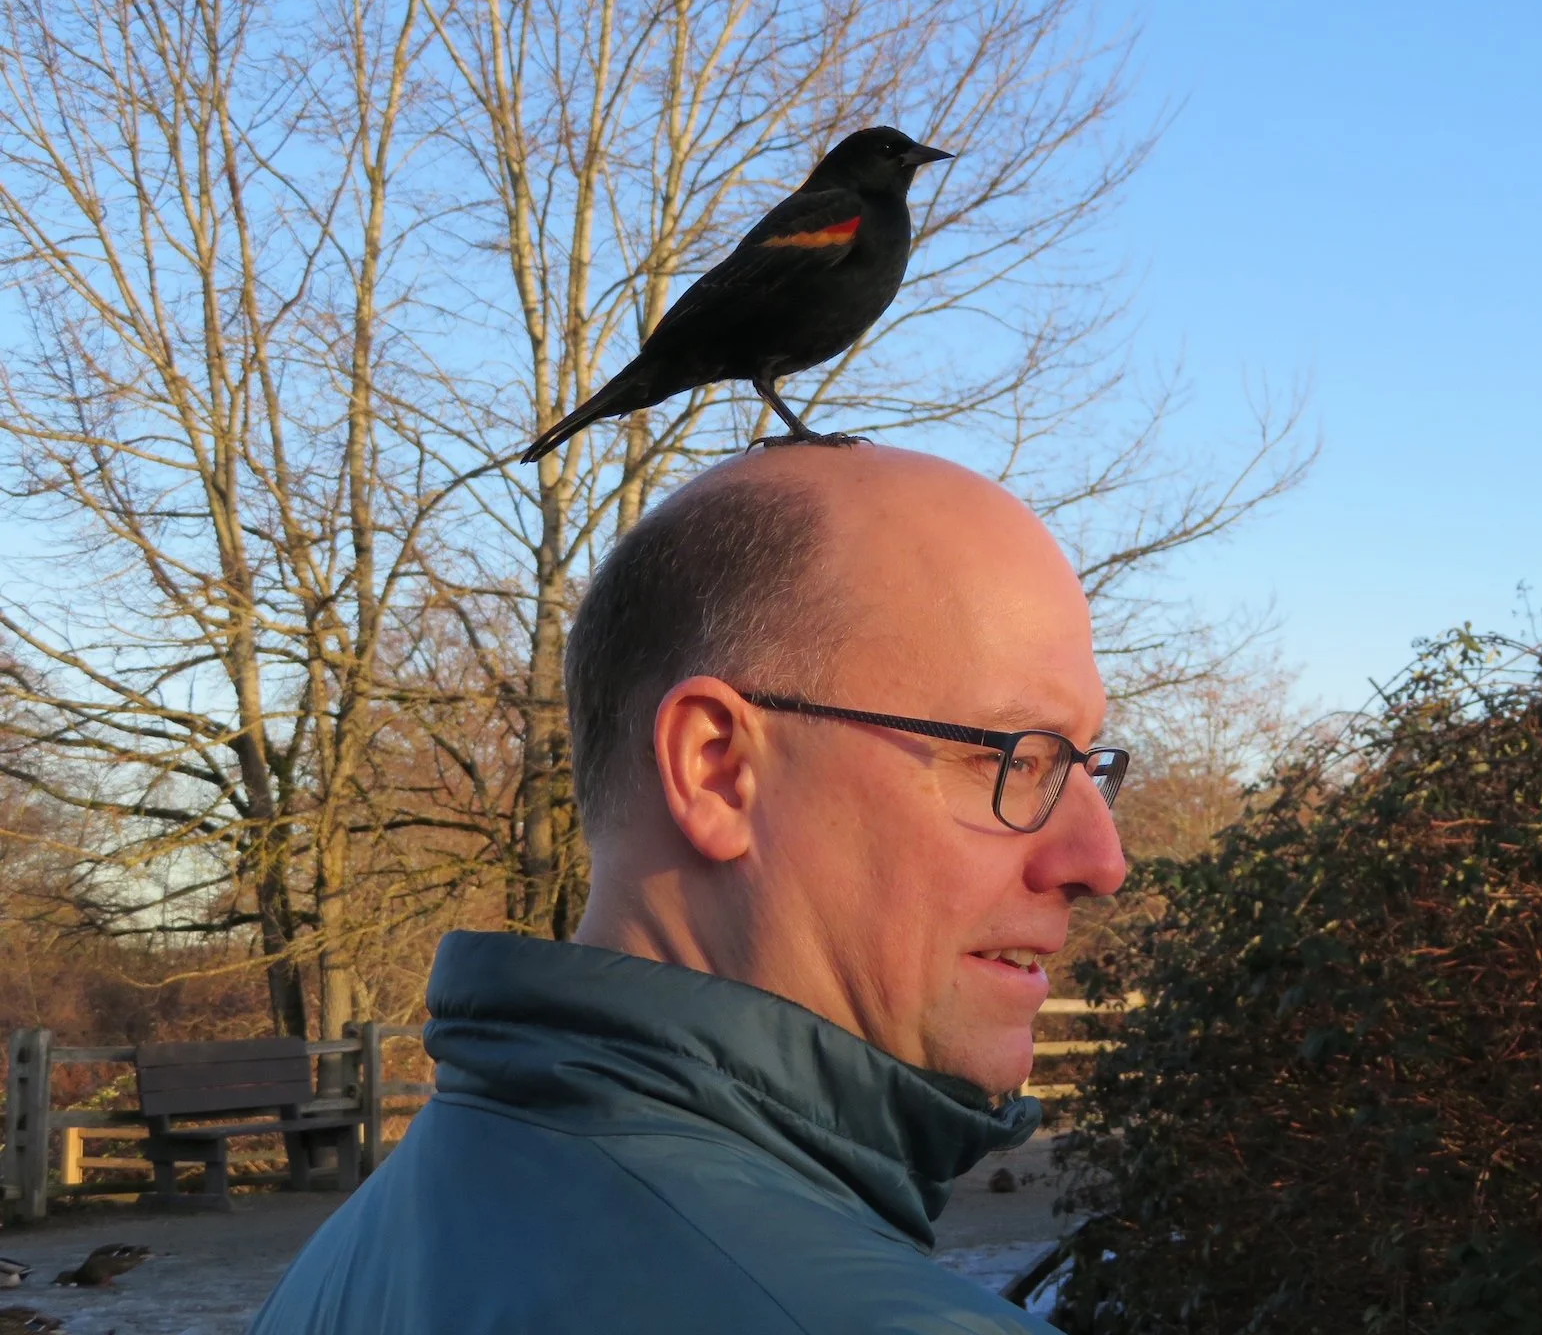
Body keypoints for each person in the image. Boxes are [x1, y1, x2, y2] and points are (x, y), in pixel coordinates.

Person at [252, 445, 1130, 1334]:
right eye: (1012, 757)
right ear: (716, 770)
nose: (1101, 859)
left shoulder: (352, 1264)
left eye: (1088, 765)